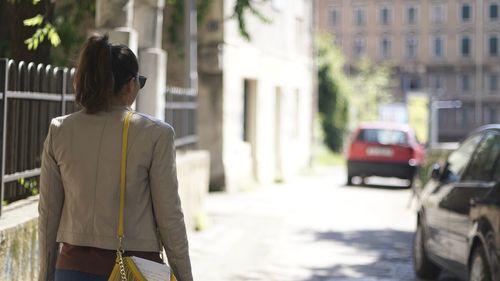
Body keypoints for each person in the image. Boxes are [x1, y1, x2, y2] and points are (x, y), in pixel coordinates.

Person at [38, 34, 193, 281]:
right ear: (130, 85)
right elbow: (169, 216)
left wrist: (45, 275)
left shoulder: (60, 130)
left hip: (71, 268)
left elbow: (48, 214)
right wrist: (185, 276)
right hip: (134, 270)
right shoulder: (155, 134)